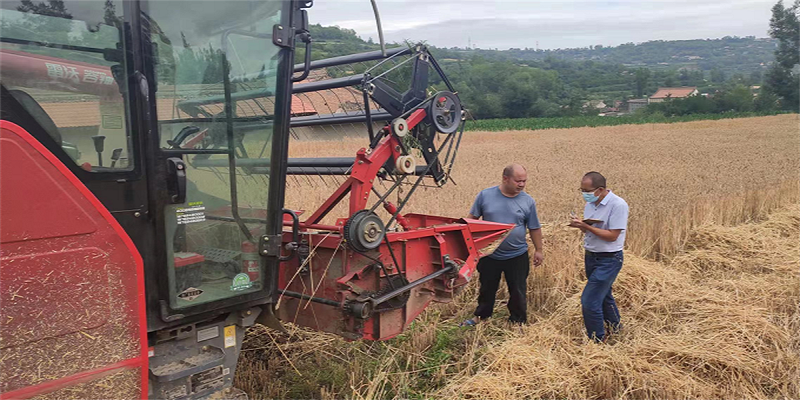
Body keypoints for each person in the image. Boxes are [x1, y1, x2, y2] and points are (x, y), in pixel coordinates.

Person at [461, 164, 543, 326]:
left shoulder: (528, 201)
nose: (521, 184)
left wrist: (539, 250)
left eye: (524, 181)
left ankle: (518, 321)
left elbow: (534, 227)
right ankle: (482, 317)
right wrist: (468, 247)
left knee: (518, 290)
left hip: (517, 255)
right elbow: (471, 221)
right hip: (489, 253)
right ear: (505, 179)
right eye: (518, 181)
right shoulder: (485, 196)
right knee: (487, 287)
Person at [568, 171, 629, 342]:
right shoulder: (591, 204)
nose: (584, 194)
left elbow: (612, 236)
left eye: (587, 191)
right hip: (591, 256)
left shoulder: (618, 205)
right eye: (581, 190)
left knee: (589, 301)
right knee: (604, 296)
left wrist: (587, 227)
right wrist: (580, 225)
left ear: (600, 189)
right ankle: (616, 329)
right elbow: (591, 230)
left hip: (609, 259)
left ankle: (597, 340)